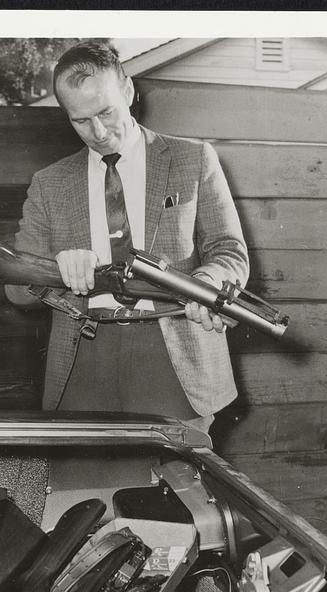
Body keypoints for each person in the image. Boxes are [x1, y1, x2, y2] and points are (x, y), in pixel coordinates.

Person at [14, 41, 249, 433]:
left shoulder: (195, 159)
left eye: (106, 112)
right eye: (81, 120)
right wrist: (56, 269)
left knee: (178, 490)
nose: (99, 132)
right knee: (81, 493)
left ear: (128, 90)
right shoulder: (49, 183)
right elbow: (17, 287)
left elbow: (230, 253)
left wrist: (205, 285)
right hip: (83, 360)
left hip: (176, 356)